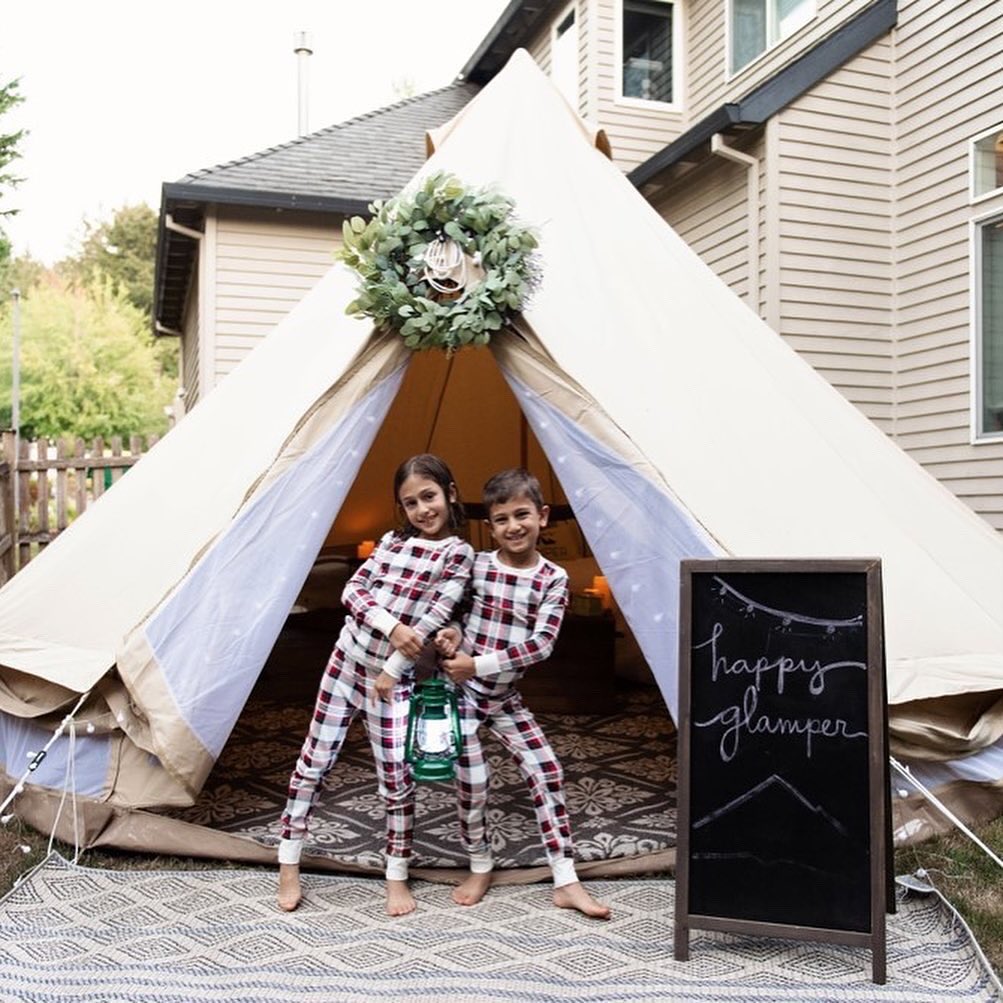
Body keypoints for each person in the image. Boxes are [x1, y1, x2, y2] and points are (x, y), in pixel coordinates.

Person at [276, 454, 474, 917]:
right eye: (411, 503)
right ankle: (288, 862)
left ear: (450, 492)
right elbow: (353, 592)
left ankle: (396, 874)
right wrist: (390, 626)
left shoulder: (457, 554)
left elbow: (430, 619)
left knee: (396, 777)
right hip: (346, 663)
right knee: (314, 761)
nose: (423, 509)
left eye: (429, 497)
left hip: (392, 682)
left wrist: (393, 667)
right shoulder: (389, 542)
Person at [436, 468, 610, 919]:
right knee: (474, 782)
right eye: (501, 519)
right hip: (461, 695)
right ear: (489, 526)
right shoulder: (477, 565)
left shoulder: (553, 578)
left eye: (522, 515)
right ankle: (479, 865)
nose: (513, 526)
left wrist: (478, 663)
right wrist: (453, 638)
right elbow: (456, 615)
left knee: (547, 769)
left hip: (503, 695)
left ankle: (565, 880)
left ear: (542, 516)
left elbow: (541, 645)